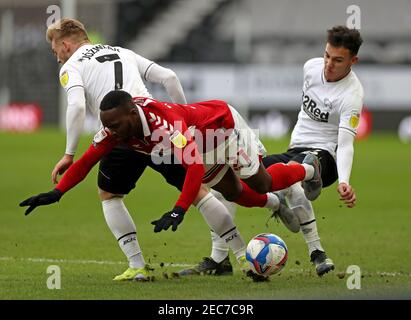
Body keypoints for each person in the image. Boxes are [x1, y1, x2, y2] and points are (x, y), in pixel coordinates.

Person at [20, 92, 322, 277]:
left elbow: (192, 166)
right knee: (233, 193)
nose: (110, 131)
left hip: (223, 130)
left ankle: (309, 168)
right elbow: (87, 160)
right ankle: (277, 204)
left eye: (115, 125)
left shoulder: (165, 125)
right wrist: (57, 192)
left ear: (130, 113)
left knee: (262, 181)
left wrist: (179, 209)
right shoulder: (117, 128)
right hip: (201, 147)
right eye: (107, 126)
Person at [44, 18, 251, 282]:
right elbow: (169, 77)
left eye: (55, 52)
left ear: (65, 45)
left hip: (119, 135)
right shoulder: (122, 51)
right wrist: (182, 117)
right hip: (156, 126)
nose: (58, 58)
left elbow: (76, 106)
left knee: (109, 194)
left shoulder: (72, 66)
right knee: (198, 190)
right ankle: (242, 256)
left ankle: (137, 266)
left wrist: (68, 153)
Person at [178, 25, 364, 277]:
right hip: (295, 149)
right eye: (327, 55)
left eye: (338, 60)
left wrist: (344, 181)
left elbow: (345, 143)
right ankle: (221, 256)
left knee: (294, 177)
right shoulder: (311, 68)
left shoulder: (352, 95)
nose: (328, 64)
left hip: (326, 155)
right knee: (228, 180)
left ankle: (316, 250)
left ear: (353, 60)